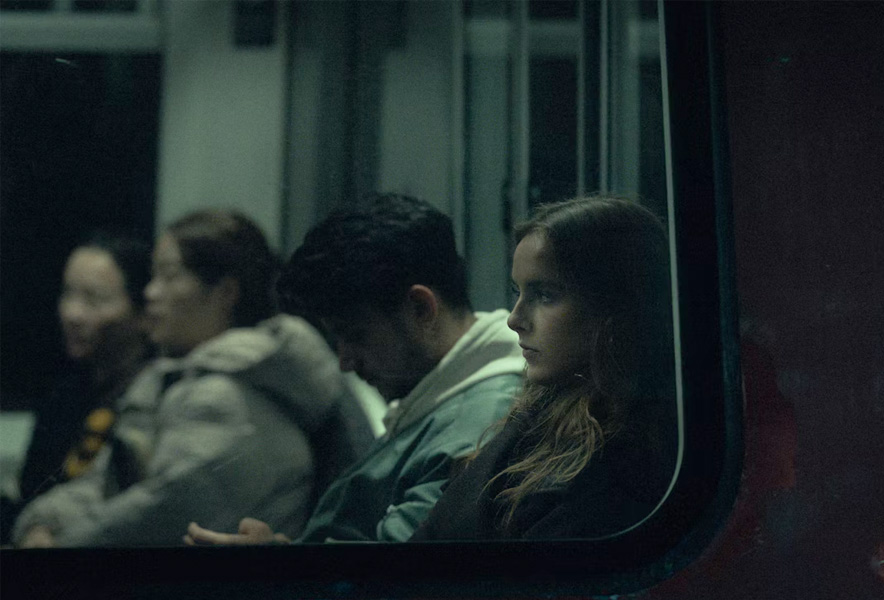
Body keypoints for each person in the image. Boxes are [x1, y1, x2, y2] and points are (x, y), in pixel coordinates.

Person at [11, 210, 374, 548]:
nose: (151, 293)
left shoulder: (229, 394)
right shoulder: (170, 381)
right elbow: (104, 482)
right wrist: (46, 522)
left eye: (169, 276)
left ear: (225, 293)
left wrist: (56, 546)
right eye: (153, 276)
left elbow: (163, 514)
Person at [185, 193, 524, 545]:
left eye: (356, 335)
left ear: (421, 309)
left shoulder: (478, 427)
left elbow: (398, 569)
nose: (345, 361)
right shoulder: (444, 395)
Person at [408, 196, 678, 540]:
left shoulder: (614, 467)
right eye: (517, 292)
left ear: (615, 306)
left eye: (545, 295)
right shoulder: (543, 415)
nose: (514, 319)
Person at [0, 232, 153, 544]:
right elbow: (32, 496)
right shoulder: (65, 394)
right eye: (68, 294)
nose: (72, 314)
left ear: (143, 313)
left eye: (94, 300)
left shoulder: (154, 393)